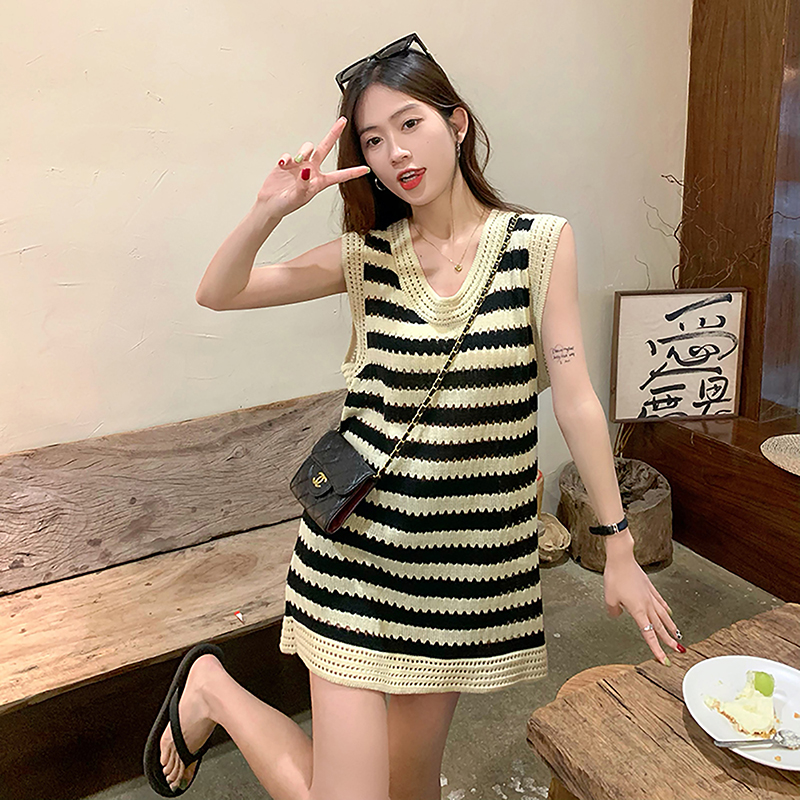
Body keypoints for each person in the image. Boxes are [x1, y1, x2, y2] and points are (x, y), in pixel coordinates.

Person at [146, 32, 684, 800]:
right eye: (373, 138)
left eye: (409, 123)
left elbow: (576, 398)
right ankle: (215, 691)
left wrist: (619, 543)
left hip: (461, 576)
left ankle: (209, 688)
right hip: (355, 559)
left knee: (409, 789)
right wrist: (270, 209)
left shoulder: (538, 246)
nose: (395, 151)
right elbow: (219, 291)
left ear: (455, 123)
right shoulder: (367, 255)